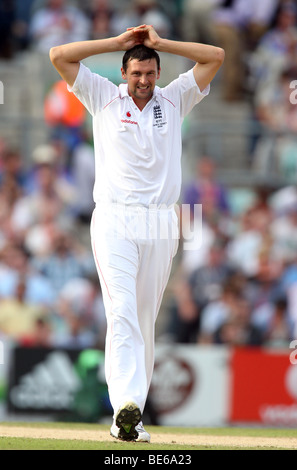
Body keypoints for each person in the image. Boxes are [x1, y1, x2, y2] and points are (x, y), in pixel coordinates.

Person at [50, 23, 224, 442]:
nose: (142, 81)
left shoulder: (175, 98)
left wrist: (162, 43)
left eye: (149, 73)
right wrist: (116, 44)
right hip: (115, 218)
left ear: (158, 74)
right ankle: (124, 404)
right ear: (124, 74)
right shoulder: (103, 96)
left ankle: (132, 417)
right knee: (122, 309)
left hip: (162, 221)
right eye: (135, 73)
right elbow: (59, 55)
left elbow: (215, 56)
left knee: (143, 319)